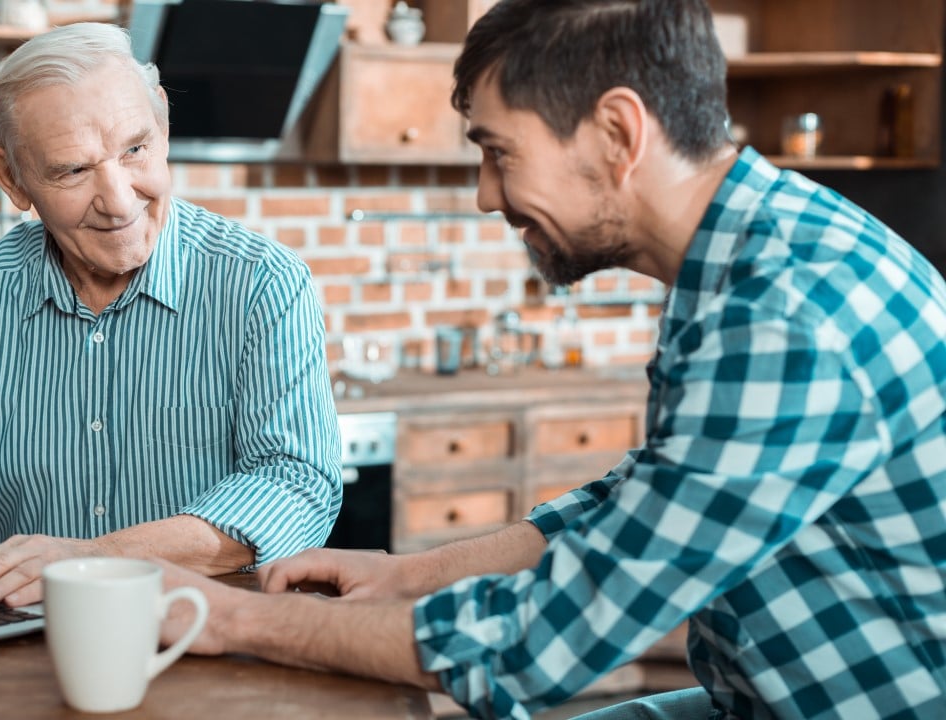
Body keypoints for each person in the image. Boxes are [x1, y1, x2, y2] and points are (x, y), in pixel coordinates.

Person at [157, 1, 946, 717]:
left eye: (500, 152)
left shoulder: (782, 317)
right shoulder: (743, 257)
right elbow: (643, 500)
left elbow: (538, 647)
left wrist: (232, 616)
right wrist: (409, 574)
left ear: (617, 134)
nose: (485, 195)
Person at [0, 22, 342, 608]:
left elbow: (293, 486)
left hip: (209, 637)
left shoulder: (262, 283)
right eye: (72, 170)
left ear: (163, 125)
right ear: (12, 178)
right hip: (22, 645)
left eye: (135, 149)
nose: (119, 201)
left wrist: (94, 560)